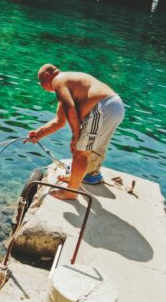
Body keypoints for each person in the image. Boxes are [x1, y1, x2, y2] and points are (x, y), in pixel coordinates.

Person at [25, 64, 125, 200]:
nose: (41, 87)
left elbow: (71, 110)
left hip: (103, 107)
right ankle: (75, 178)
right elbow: (59, 121)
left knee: (80, 152)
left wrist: (75, 136)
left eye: (41, 82)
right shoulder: (68, 83)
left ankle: (71, 192)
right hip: (113, 106)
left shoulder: (58, 81)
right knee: (85, 148)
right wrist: (38, 133)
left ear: (47, 76)